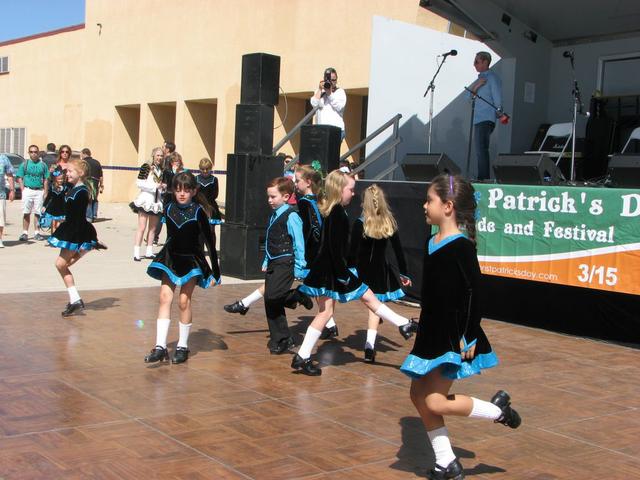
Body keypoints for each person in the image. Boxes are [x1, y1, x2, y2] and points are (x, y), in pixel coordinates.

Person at [401, 174, 520, 479]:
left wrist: (467, 336)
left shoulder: (461, 247)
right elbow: (435, 294)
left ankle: (497, 412)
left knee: (434, 400)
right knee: (418, 395)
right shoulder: (432, 242)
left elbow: (474, 295)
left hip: (453, 336)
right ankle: (446, 461)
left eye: (430, 200)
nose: (424, 205)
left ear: (448, 206)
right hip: (431, 333)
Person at [292, 170, 418, 376]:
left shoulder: (333, 211)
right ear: (340, 190)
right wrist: (344, 275)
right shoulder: (338, 214)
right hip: (333, 272)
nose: (353, 194)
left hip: (327, 271)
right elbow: (334, 248)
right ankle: (403, 324)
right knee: (366, 296)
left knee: (327, 312)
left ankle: (302, 356)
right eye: (350, 190)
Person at [145, 171, 221, 364]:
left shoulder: (198, 211)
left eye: (186, 190)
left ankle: (182, 346)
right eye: (178, 189)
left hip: (191, 260)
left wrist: (215, 270)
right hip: (170, 258)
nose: (182, 194)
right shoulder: (168, 208)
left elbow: (210, 242)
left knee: (183, 301)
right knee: (164, 298)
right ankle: (160, 346)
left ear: (194, 191)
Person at [347, 184, 411, 363]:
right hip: (379, 271)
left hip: (362, 271)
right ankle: (369, 345)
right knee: (374, 308)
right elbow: (399, 250)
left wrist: (349, 269)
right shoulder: (388, 222)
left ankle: (369, 347)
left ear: (364, 202)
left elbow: (352, 252)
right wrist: (405, 273)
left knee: (373, 308)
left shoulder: (361, 223)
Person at [48, 158, 107, 316]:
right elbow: (59, 193)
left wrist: (81, 235)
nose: (67, 174)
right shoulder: (72, 187)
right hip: (70, 228)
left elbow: (79, 216)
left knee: (60, 264)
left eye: (70, 171)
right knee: (62, 264)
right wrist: (56, 175)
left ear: (80, 173)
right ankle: (75, 299)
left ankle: (75, 299)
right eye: (67, 171)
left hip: (74, 231)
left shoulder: (82, 191)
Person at [260, 177, 308, 354]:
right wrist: (266, 260)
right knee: (270, 302)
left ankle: (298, 294)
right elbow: (269, 240)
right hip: (274, 261)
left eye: (273, 197)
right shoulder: (273, 215)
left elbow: (299, 243)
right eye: (269, 197)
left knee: (274, 296)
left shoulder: (292, 215)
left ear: (286, 196)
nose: (269, 200)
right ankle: (282, 338)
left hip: (285, 262)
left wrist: (300, 266)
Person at [467, 51, 503, 181]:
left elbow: (497, 97)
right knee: (479, 149)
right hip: (478, 119)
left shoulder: (492, 78)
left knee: (481, 149)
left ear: (485, 62)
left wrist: (500, 111)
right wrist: (477, 86)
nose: (474, 64)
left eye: (477, 61)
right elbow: (469, 97)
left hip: (486, 118)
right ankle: (482, 177)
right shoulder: (479, 79)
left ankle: (483, 178)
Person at [130, 147, 164, 261]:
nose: (159, 157)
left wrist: (163, 188)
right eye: (158, 155)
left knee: (153, 228)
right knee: (142, 227)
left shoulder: (161, 169)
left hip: (156, 201)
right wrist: (154, 187)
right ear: (153, 155)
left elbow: (160, 185)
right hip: (146, 200)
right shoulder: (146, 166)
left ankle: (149, 251)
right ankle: (136, 252)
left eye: (161, 155)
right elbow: (139, 183)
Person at [16, 145, 50, 241]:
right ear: (29, 153)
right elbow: (19, 177)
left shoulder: (43, 165)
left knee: (38, 213)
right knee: (26, 212)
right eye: (31, 152)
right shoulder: (25, 164)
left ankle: (37, 232)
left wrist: (45, 191)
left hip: (39, 191)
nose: (33, 153)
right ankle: (25, 233)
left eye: (35, 152)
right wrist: (23, 189)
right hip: (28, 190)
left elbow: (46, 179)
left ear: (38, 153)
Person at [155, 151, 184, 245]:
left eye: (178, 161)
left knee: (177, 220)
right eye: (175, 161)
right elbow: (168, 184)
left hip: (179, 198)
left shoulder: (182, 171)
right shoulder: (167, 172)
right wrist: (174, 174)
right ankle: (158, 237)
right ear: (171, 162)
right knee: (164, 219)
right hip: (169, 197)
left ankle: (176, 239)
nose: (177, 163)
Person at [310, 67, 346, 138]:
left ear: (336, 80)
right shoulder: (319, 92)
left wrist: (329, 93)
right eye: (329, 80)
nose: (331, 82)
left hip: (336, 130)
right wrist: (320, 89)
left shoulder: (340, 92)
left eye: (333, 80)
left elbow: (339, 107)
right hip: (321, 130)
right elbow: (314, 104)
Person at [195, 157, 222, 246]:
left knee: (211, 230)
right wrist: (200, 203)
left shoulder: (214, 179)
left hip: (210, 206)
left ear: (210, 169)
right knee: (200, 230)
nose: (205, 171)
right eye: (203, 169)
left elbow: (215, 194)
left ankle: (212, 248)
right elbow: (194, 193)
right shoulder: (196, 179)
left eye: (207, 169)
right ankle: (200, 250)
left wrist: (206, 204)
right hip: (199, 206)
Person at [40, 167, 67, 233]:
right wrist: (44, 206)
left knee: (60, 224)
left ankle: (59, 236)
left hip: (62, 208)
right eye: (59, 179)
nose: (60, 180)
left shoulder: (65, 187)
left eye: (62, 179)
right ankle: (52, 236)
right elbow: (48, 197)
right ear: (55, 179)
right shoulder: (52, 187)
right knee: (53, 224)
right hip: (53, 208)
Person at [81, 148, 103, 222]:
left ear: (84, 153)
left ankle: (89, 216)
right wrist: (101, 185)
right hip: (96, 183)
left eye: (81, 154)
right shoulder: (97, 162)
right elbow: (101, 176)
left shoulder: (83, 162)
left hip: (86, 182)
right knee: (95, 198)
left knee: (87, 198)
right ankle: (94, 215)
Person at [0, 153, 16, 248]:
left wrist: (12, 190)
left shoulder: (3, 158)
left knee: (0, 219)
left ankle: (0, 239)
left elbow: (10, 175)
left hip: (0, 194)